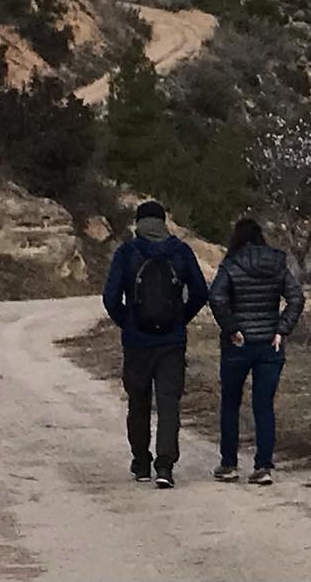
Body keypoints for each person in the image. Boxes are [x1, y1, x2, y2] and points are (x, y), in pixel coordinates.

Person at [102, 200, 209, 489]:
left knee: (138, 402)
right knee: (168, 402)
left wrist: (128, 322)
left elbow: (110, 297)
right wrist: (180, 318)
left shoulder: (127, 252)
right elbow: (200, 292)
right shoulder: (181, 251)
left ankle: (141, 462)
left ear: (138, 223)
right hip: (171, 341)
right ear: (164, 222)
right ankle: (165, 466)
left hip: (136, 342)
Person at [208, 218, 305, 486]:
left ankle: (229, 464)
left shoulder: (231, 263)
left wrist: (231, 328)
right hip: (270, 344)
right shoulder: (277, 263)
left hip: (237, 344)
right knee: (263, 405)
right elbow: (296, 297)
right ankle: (263, 466)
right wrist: (282, 329)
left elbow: (216, 297)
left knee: (230, 402)